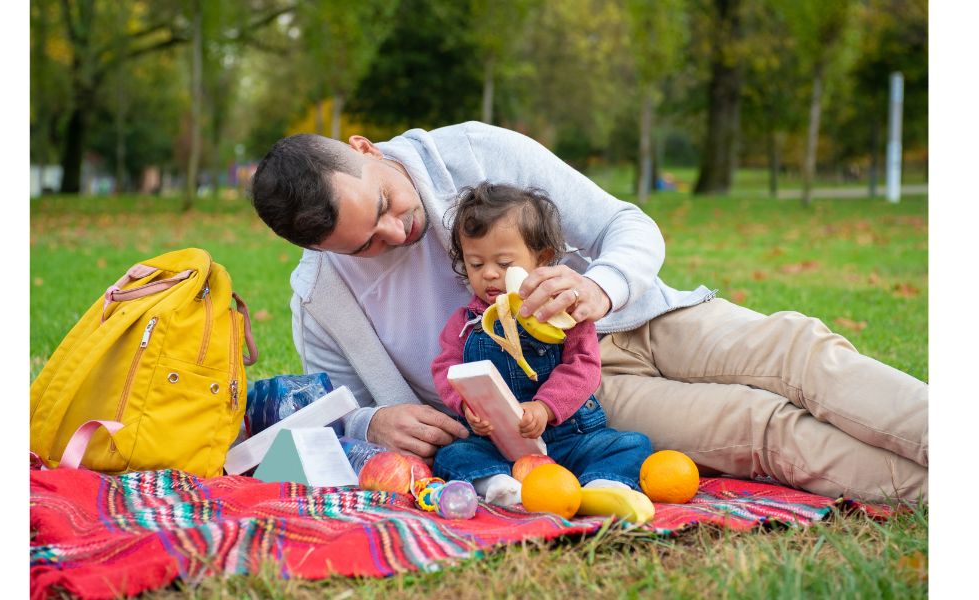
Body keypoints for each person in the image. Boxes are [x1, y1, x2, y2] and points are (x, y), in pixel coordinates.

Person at [250, 121, 928, 504]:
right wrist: (376, 419)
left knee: (802, 352)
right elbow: (337, 418)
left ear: (365, 150)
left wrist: (599, 289)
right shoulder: (319, 299)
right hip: (579, 400)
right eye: (364, 246)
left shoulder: (473, 153)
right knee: (759, 429)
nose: (396, 236)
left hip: (638, 316)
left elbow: (629, 227)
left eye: (385, 210)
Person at [429, 182, 652, 506]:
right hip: (496, 442)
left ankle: (601, 486)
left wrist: (545, 407)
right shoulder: (466, 323)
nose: (489, 274)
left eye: (504, 263)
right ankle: (498, 483)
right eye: (476, 264)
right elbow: (445, 368)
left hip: (570, 436)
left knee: (633, 444)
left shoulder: (562, 313)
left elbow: (583, 367)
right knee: (453, 454)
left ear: (541, 259)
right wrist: (466, 406)